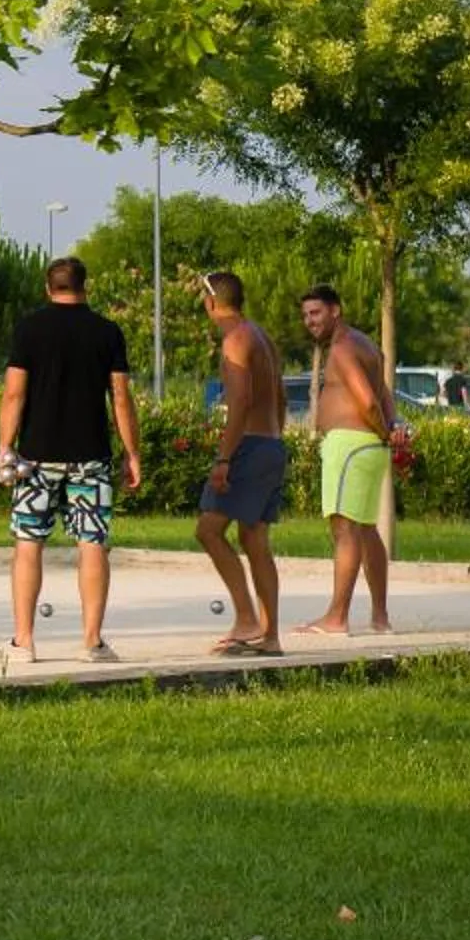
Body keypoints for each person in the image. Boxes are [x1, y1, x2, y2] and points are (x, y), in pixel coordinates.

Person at [0, 256, 144, 663]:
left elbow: (14, 394)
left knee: (28, 544)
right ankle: (92, 641)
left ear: (48, 287)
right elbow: (120, 397)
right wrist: (132, 452)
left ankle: (24, 641)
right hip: (91, 457)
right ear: (85, 287)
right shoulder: (107, 332)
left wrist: (5, 447)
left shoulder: (29, 330)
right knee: (92, 543)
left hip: (36, 458)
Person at [294, 283, 408, 636]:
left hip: (349, 445)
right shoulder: (365, 344)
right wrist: (392, 426)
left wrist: (384, 428)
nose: (309, 322)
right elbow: (383, 392)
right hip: (369, 448)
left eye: (315, 313)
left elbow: (368, 401)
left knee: (344, 530)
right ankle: (380, 617)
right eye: (305, 316)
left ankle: (336, 618)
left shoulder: (342, 348)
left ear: (335, 310)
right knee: (365, 530)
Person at [194, 271, 288, 657]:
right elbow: (279, 397)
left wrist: (224, 457)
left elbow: (241, 402)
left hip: (248, 446)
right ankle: (270, 636)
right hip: (271, 443)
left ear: (211, 302)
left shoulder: (235, 341)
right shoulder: (261, 337)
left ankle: (247, 617)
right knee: (255, 540)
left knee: (209, 530)